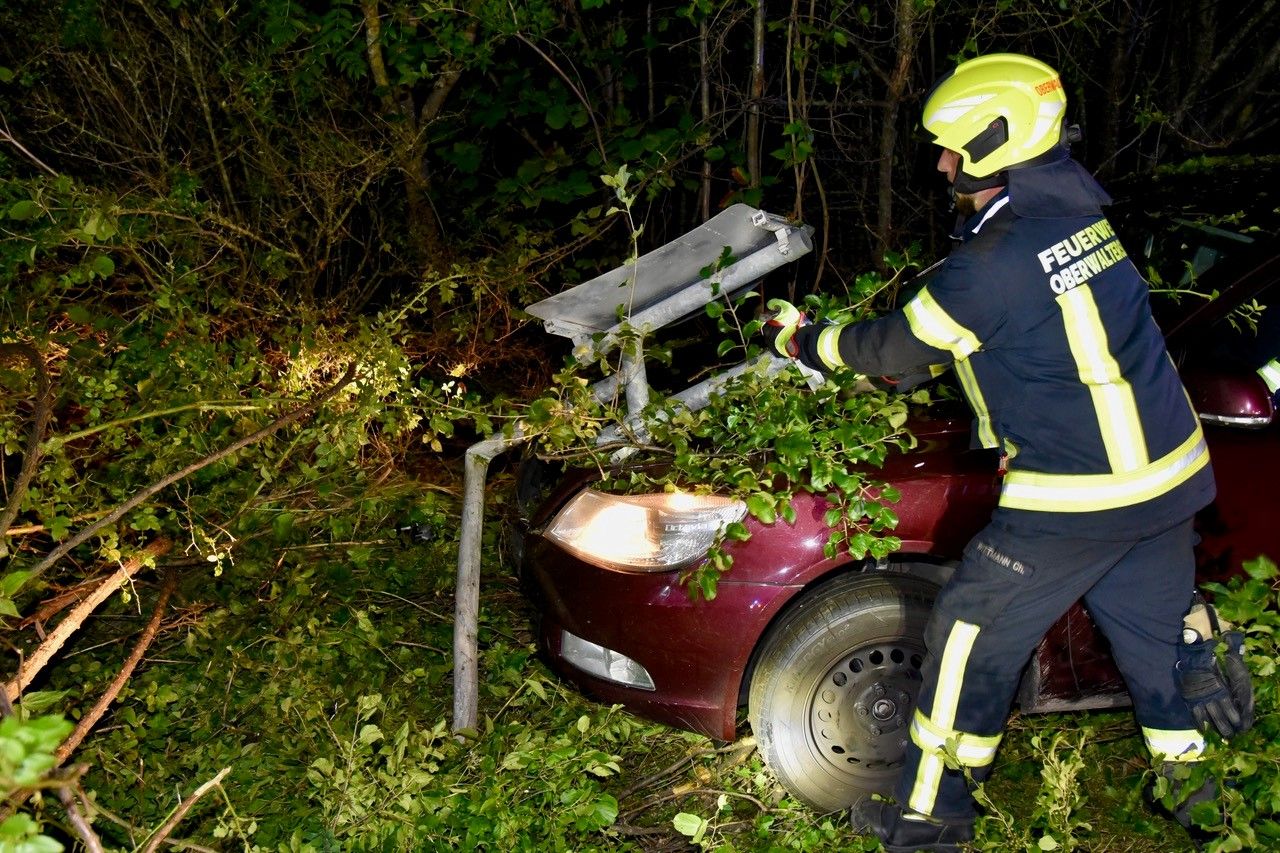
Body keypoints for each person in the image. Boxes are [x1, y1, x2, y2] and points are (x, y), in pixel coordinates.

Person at [765, 53, 1246, 851]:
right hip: (1168, 481)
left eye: (953, 149)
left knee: (966, 642)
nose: (942, 164)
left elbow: (891, 345)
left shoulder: (988, 265)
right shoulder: (1080, 212)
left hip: (1077, 499)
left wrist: (801, 340)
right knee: (1154, 642)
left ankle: (928, 822)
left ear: (996, 143)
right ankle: (1211, 806)